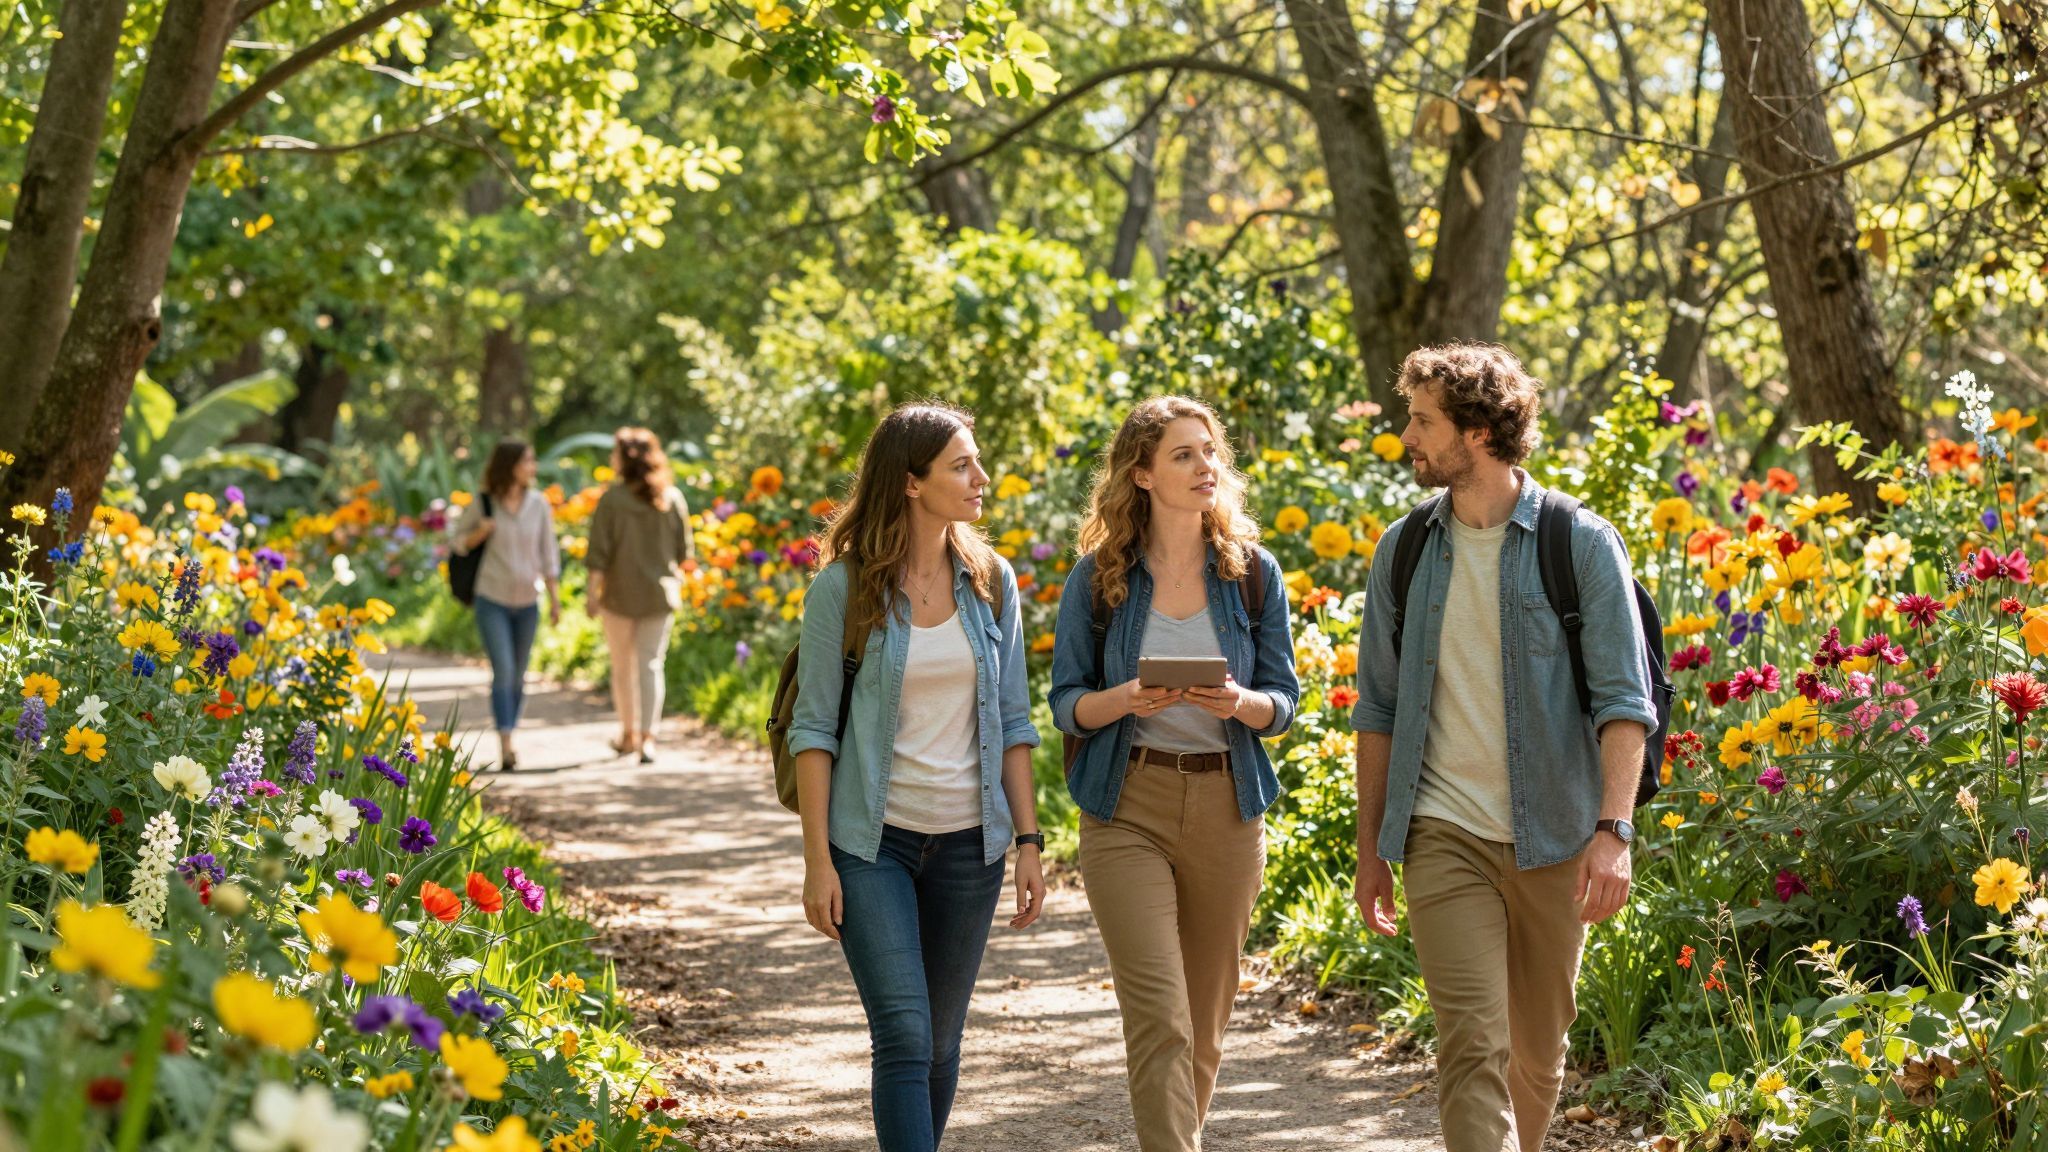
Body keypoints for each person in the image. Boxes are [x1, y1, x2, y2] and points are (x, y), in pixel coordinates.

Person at [1349, 343, 1656, 1152]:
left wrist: (1612, 832)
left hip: (1555, 831)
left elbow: (1626, 704)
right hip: (1441, 829)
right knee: (1471, 1045)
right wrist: (1372, 848)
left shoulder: (1581, 543)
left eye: (1422, 421)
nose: (1406, 436)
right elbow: (1376, 707)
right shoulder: (1406, 550)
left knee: (1537, 1051)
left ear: (1479, 431)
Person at [786, 402, 1046, 1152]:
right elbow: (813, 730)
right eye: (962, 465)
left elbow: (1014, 720)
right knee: (902, 1033)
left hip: (970, 848)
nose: (982, 479)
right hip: (873, 845)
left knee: (938, 1040)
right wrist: (817, 861)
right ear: (909, 482)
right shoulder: (845, 588)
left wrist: (1028, 840)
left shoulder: (991, 580)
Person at [1048, 395, 1299, 1152]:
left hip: (1228, 806)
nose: (1204, 466)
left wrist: (1239, 702)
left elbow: (1284, 702)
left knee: (1205, 1020)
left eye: (1210, 452)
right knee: (1160, 1016)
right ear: (1144, 475)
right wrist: (1124, 698)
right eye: (1184, 454)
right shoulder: (1098, 579)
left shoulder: (1251, 574)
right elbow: (1065, 704)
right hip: (1128, 804)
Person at [450, 439, 562, 770]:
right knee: (504, 671)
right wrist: (479, 534)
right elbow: (457, 542)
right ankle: (506, 740)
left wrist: (555, 600)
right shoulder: (485, 503)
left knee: (519, 675)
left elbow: (549, 554)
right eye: (528, 460)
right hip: (492, 599)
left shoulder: (539, 504)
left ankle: (510, 729)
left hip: (529, 600)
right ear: (510, 465)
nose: (533, 467)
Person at [586, 428, 695, 764]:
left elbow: (598, 554)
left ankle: (628, 734)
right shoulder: (672, 498)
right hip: (660, 595)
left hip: (618, 596)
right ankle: (649, 738)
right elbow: (685, 553)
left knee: (622, 667)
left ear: (621, 458)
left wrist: (592, 594)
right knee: (650, 665)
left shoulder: (612, 500)